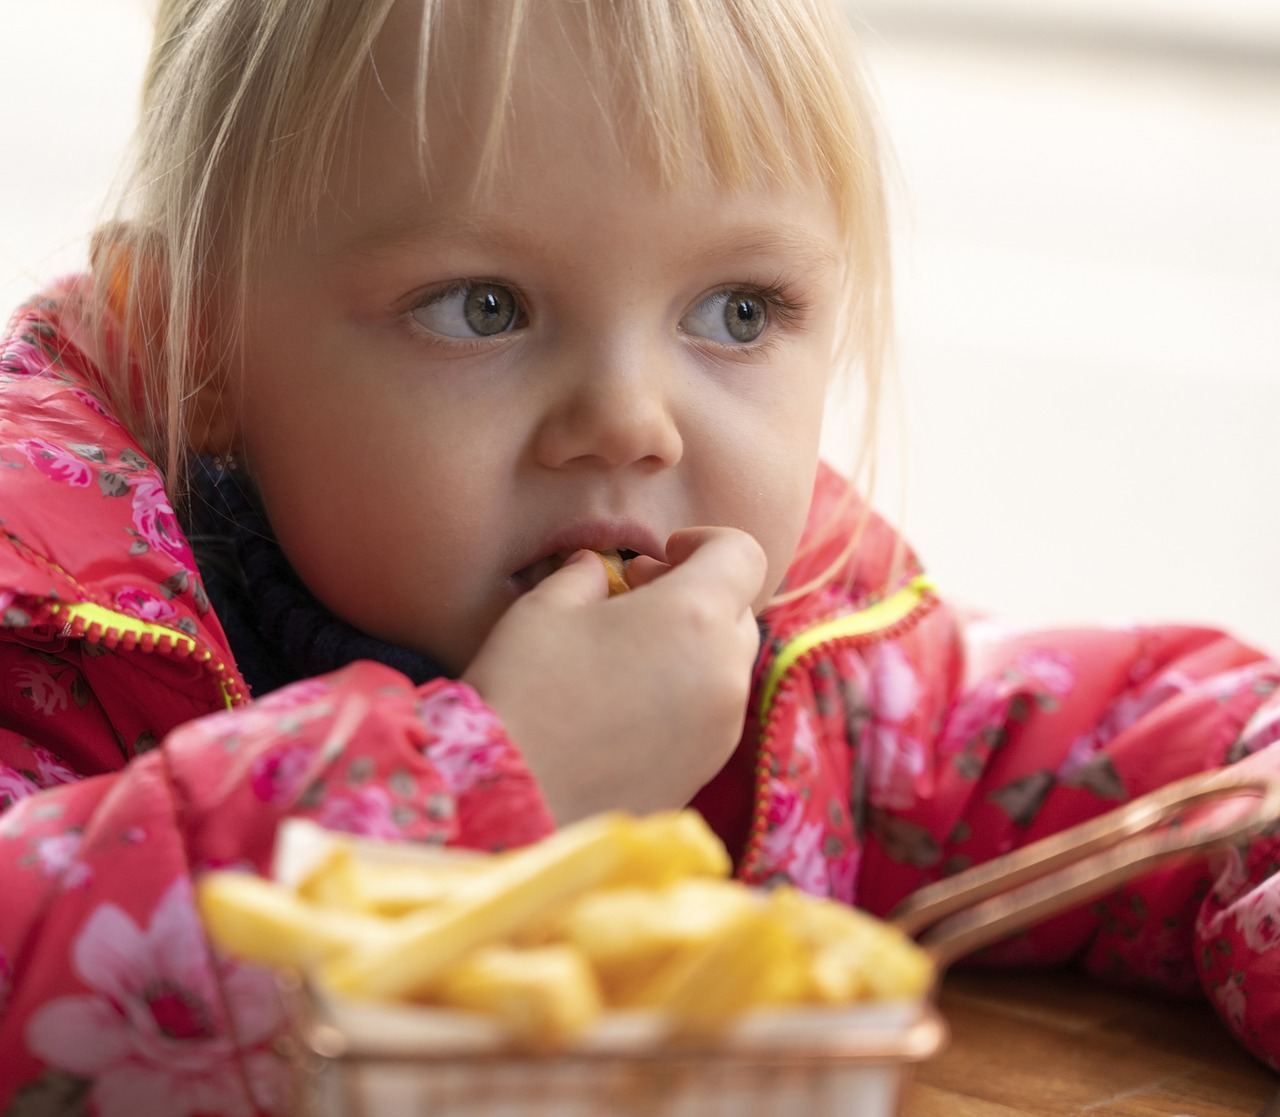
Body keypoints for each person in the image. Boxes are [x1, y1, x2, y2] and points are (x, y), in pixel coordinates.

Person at [2, 0, 1278, 1111]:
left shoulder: (821, 677)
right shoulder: (49, 651)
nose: (630, 419)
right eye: (481, 305)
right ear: (198, 348)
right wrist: (494, 778)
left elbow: (1206, 772)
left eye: (736, 312)